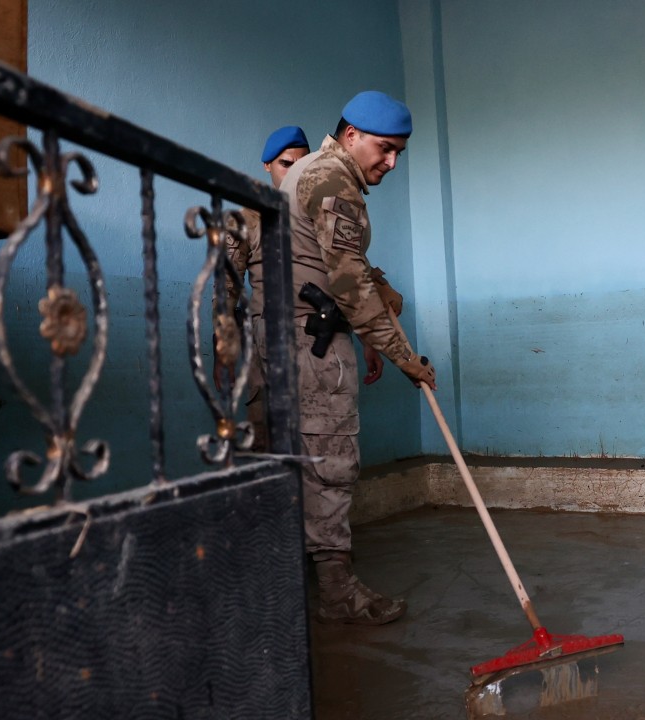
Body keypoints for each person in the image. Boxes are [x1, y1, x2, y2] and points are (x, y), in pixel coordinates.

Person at [279, 91, 436, 625]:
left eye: (399, 154)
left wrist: (380, 296)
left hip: (295, 340)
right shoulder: (332, 180)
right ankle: (337, 592)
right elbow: (345, 278)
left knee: (302, 466)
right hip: (315, 344)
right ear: (352, 135)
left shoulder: (314, 173)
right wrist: (405, 357)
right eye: (385, 149)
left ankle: (306, 580)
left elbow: (344, 267)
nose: (391, 163)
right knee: (330, 467)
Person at [219, 125, 311, 451]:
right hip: (267, 345)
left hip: (319, 347)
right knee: (268, 444)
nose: (294, 173)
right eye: (287, 164)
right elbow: (227, 287)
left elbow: (350, 276)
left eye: (302, 165)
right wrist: (223, 348)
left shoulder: (318, 214)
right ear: (267, 166)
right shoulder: (247, 217)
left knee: (318, 445)